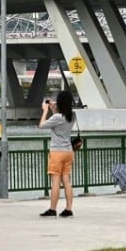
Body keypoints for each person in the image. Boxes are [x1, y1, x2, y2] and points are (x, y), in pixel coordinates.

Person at [38, 89, 75, 217]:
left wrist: (45, 111)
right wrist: (55, 109)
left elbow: (42, 125)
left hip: (57, 152)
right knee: (66, 181)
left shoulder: (57, 117)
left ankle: (52, 209)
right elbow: (59, 120)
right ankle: (68, 209)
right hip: (69, 151)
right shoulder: (72, 115)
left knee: (55, 182)